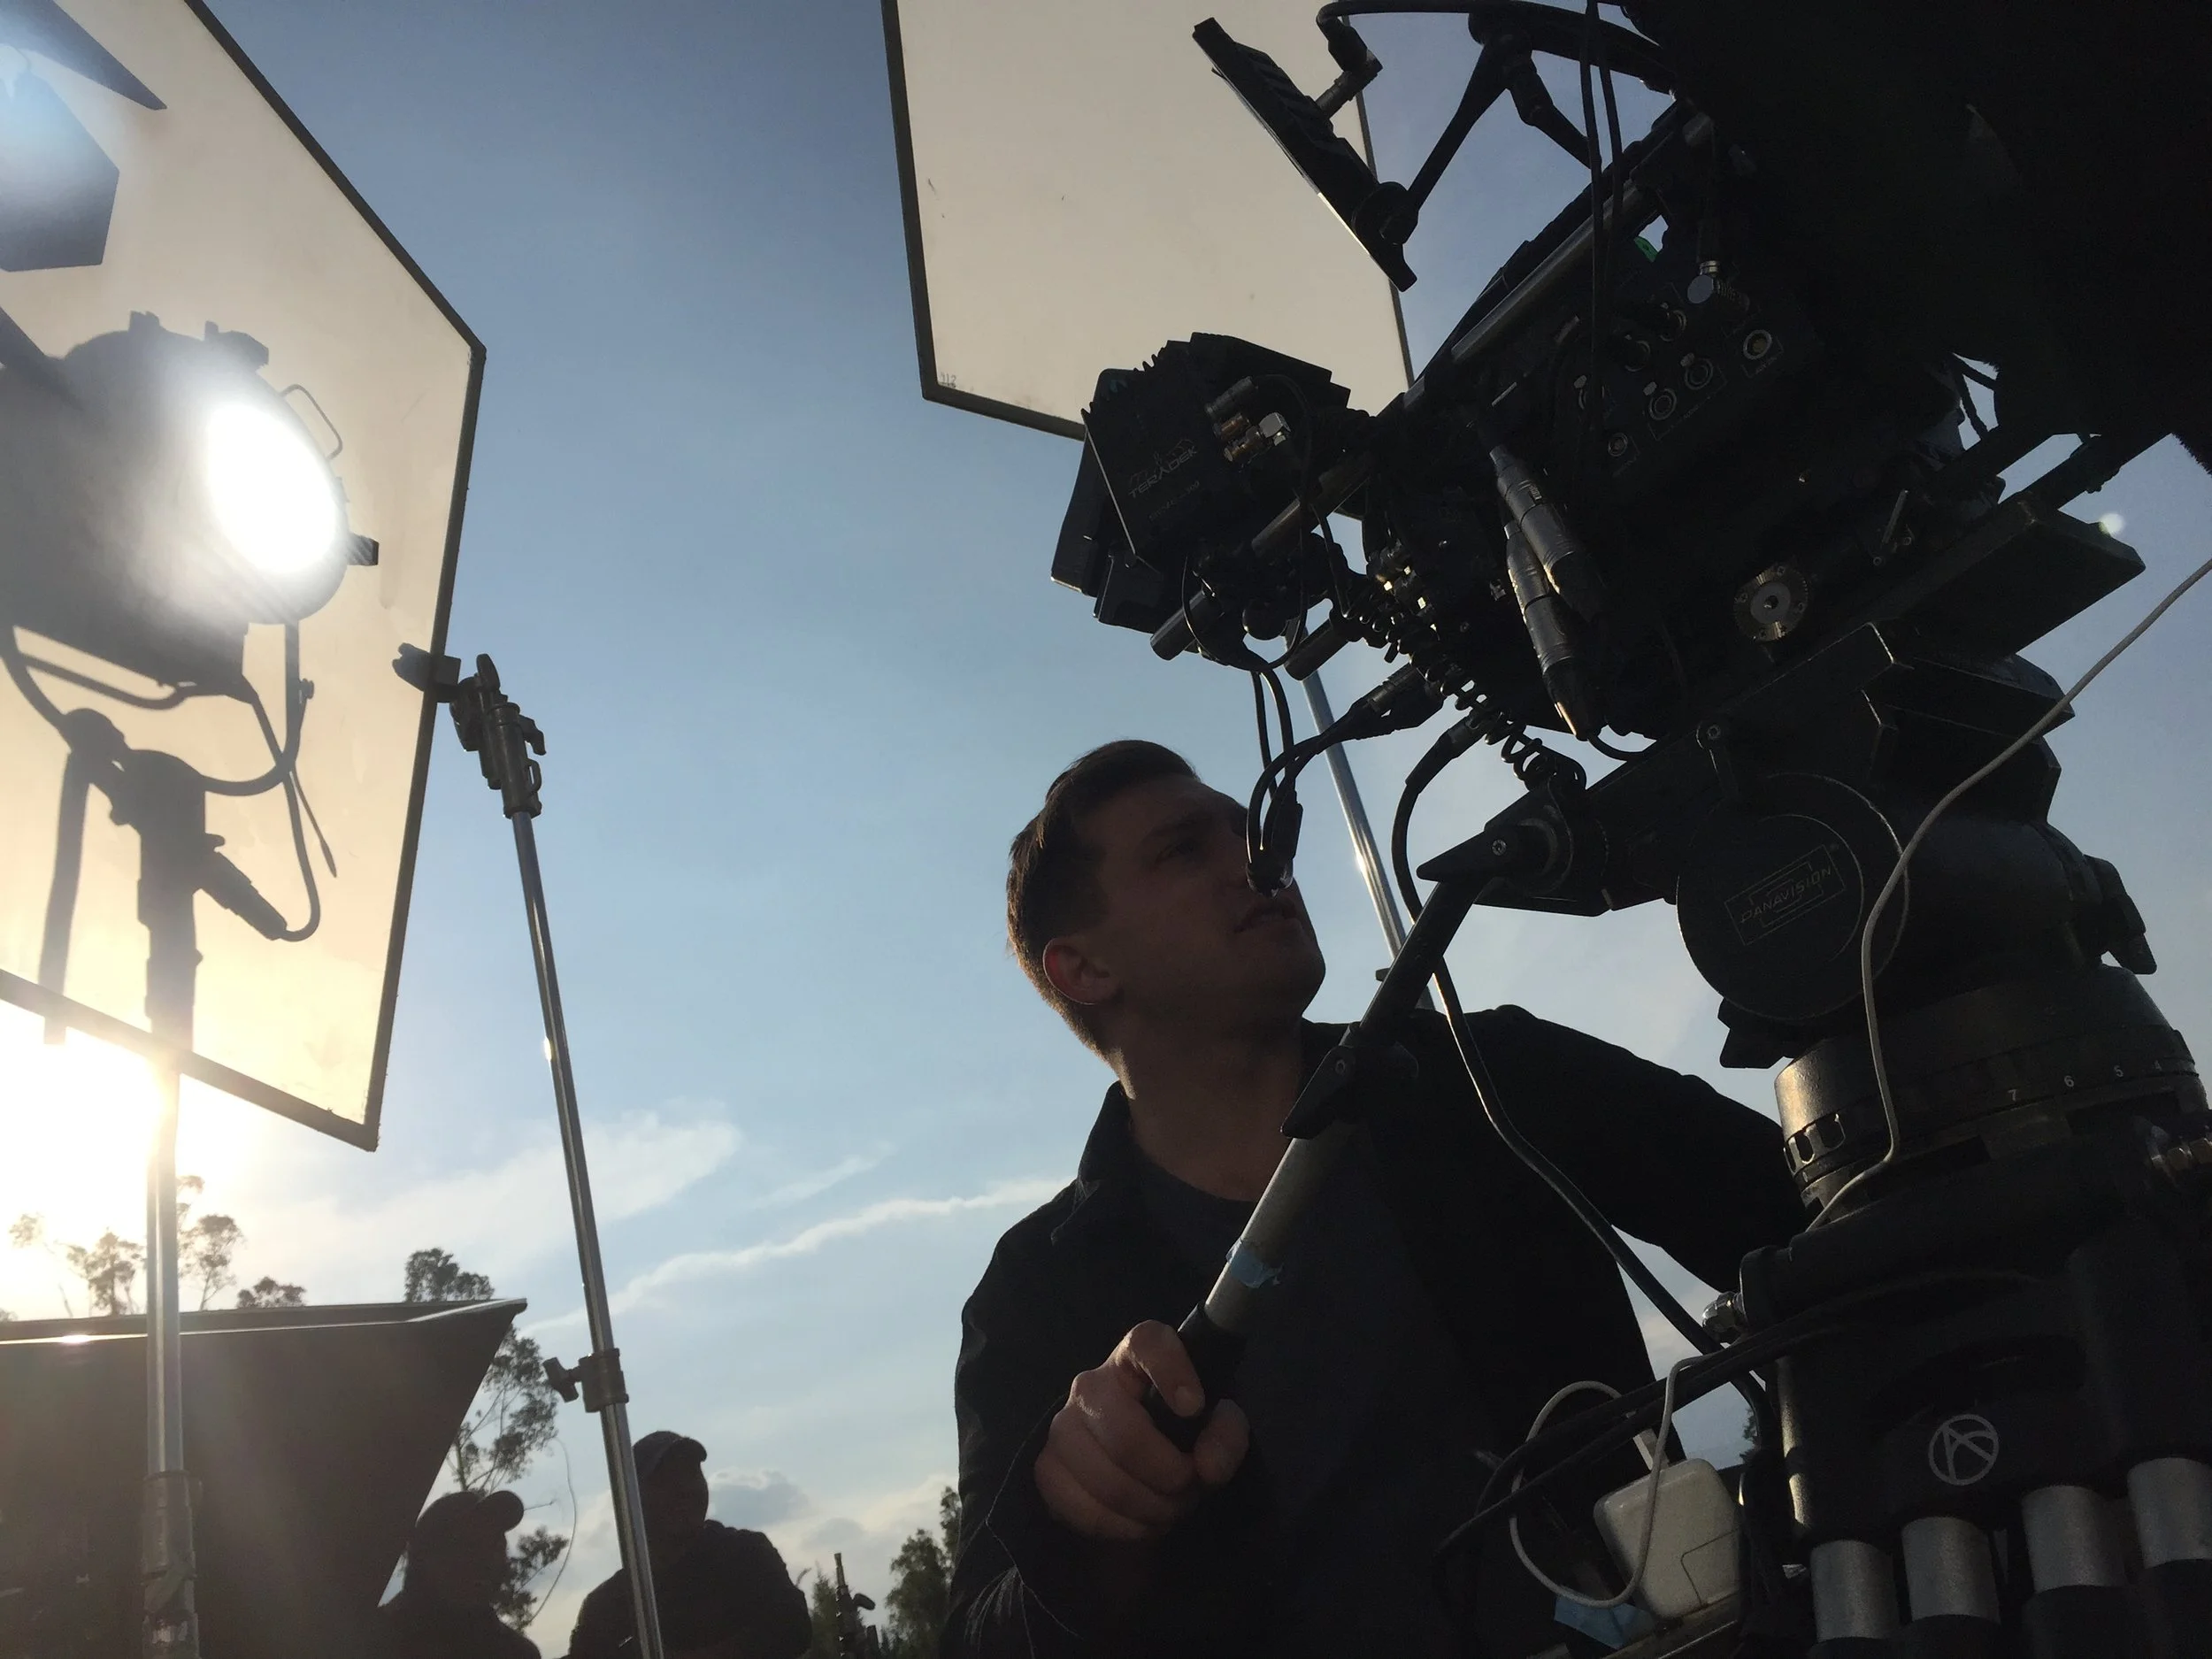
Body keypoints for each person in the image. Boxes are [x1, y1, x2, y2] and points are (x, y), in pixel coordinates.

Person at [944, 741, 1808, 1659]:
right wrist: (1080, 1531)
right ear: (1082, 969)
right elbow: (978, 1639)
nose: (1260, 862)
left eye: (1248, 832)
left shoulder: (1490, 1075)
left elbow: (1823, 1213)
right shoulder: (1035, 1291)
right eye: (1182, 850)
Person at [564, 1431, 811, 1659]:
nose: (685, 1489)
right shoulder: (607, 1605)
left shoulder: (745, 1554)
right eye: (665, 1480)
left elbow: (793, 1628)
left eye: (692, 1474)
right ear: (631, 1500)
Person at [373, 1488, 541, 1659]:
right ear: (424, 1555)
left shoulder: (517, 1653)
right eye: (469, 1546)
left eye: (495, 1545)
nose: (487, 1560)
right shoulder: (370, 1638)